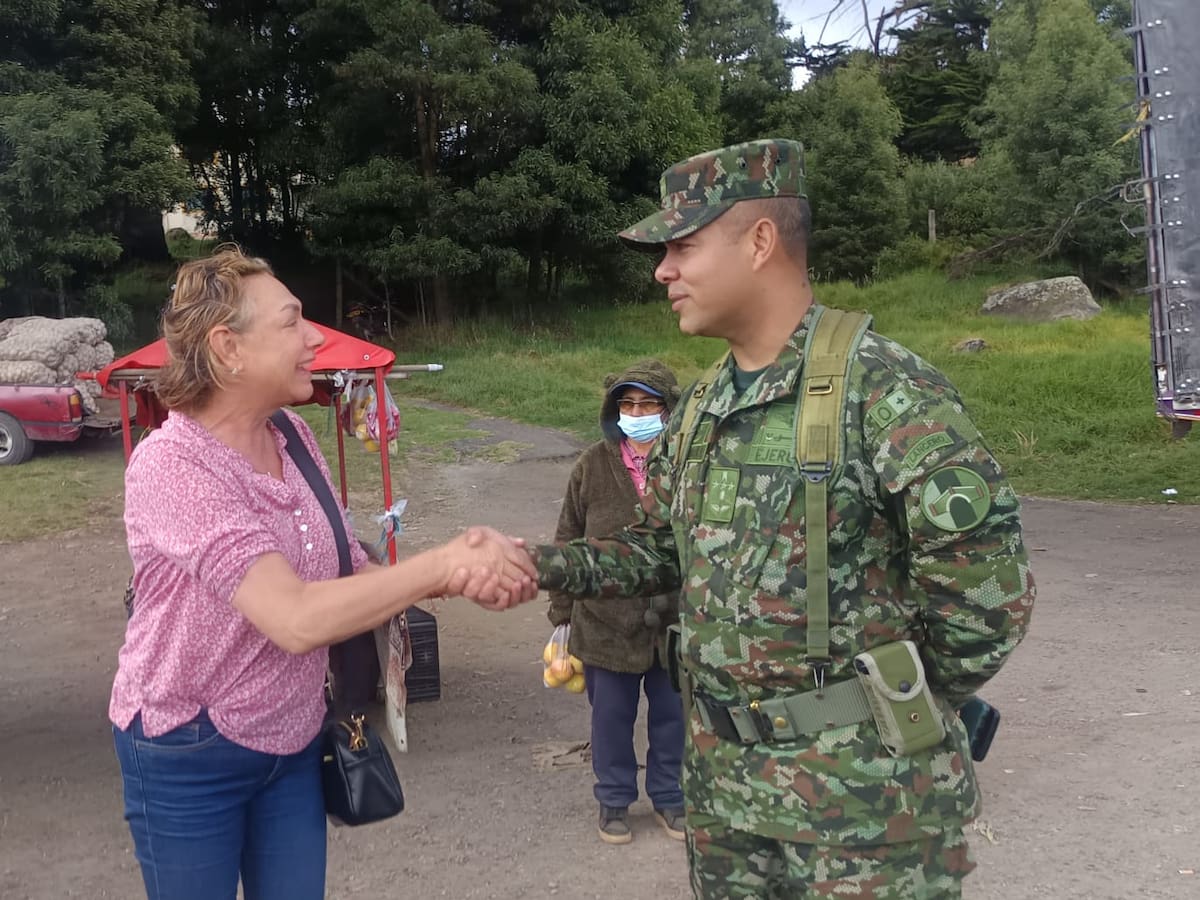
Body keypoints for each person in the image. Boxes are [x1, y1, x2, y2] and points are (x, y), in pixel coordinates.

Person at [517, 140, 1037, 898]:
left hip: (864, 811)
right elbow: (663, 547)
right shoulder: (701, 407)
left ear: (760, 241)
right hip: (728, 797)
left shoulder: (882, 389)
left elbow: (990, 596)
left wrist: (884, 707)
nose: (663, 270)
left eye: (682, 245)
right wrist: (539, 563)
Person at [109, 246, 535, 900]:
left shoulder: (291, 438)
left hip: (295, 737)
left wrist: (462, 572)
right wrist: (440, 564)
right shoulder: (173, 468)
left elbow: (343, 563)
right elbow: (297, 617)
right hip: (188, 748)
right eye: (291, 322)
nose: (313, 338)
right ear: (228, 348)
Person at [548, 359, 686, 844]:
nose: (637, 412)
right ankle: (613, 799)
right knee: (610, 719)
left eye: (648, 404)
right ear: (615, 409)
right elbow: (567, 540)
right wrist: (561, 617)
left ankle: (671, 797)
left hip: (675, 622)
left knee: (674, 718)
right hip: (604, 623)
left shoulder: (690, 461)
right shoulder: (591, 464)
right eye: (628, 404)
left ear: (669, 411)